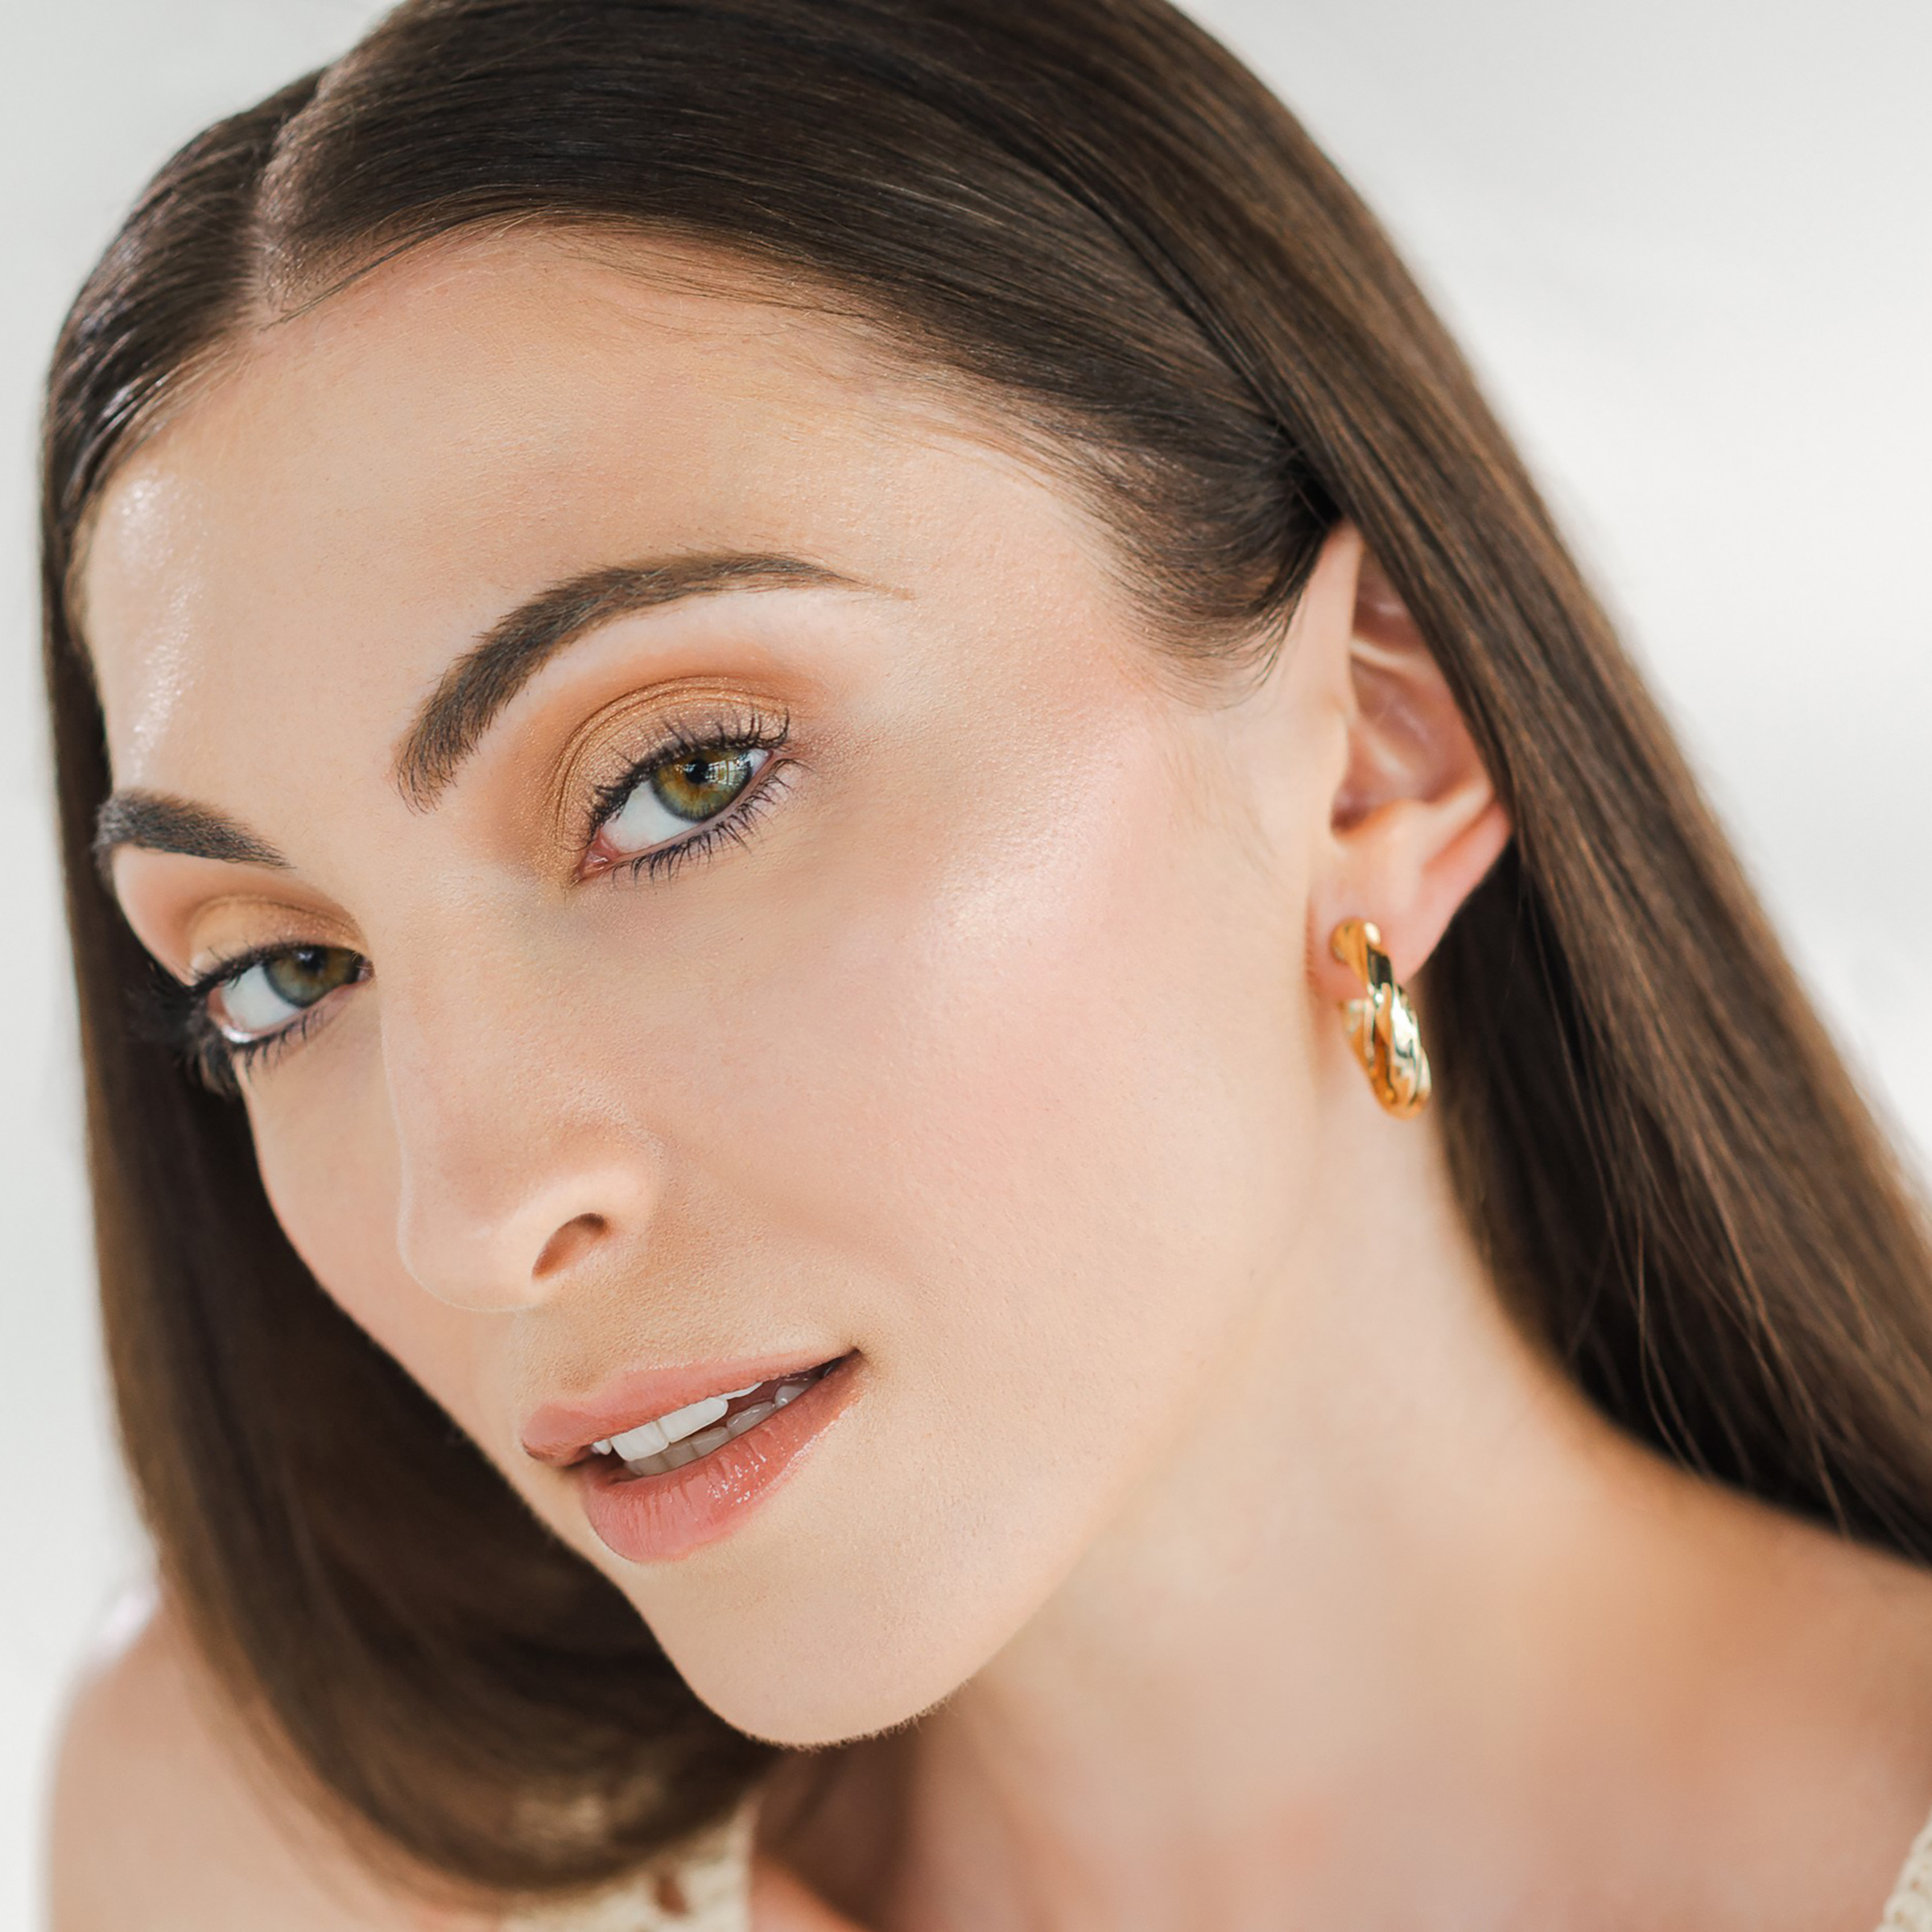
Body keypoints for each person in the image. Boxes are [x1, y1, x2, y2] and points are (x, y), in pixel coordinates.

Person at [38, 0, 1932, 1926]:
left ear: (1382, 738)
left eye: (683, 784)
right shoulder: (280, 1862)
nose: (470, 1217)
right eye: (281, 978)